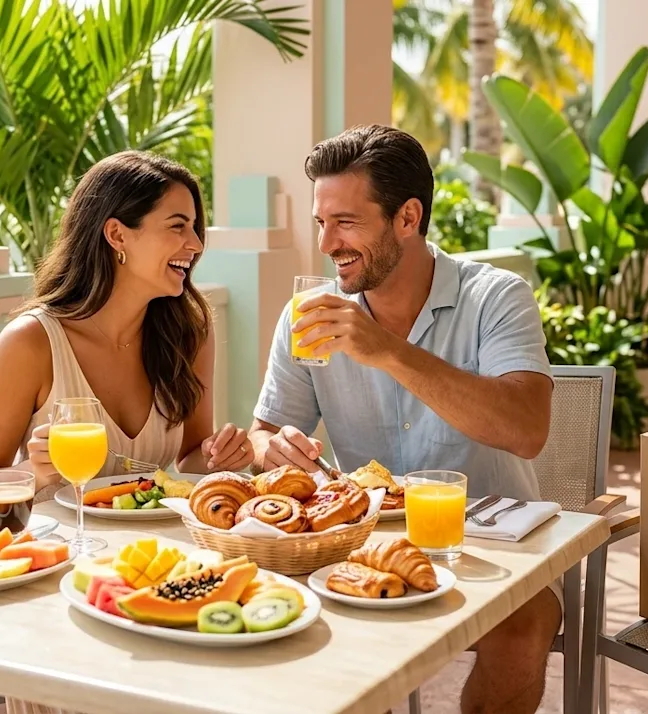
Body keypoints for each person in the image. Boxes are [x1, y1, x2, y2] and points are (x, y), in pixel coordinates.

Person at [248, 124, 558, 714]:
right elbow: (265, 432)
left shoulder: (495, 296)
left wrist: (387, 351)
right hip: (356, 544)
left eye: (346, 222)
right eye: (321, 222)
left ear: (408, 218)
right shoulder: (307, 318)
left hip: (490, 549)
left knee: (519, 634)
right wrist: (274, 449)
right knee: (295, 633)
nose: (327, 243)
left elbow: (527, 430)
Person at [0, 151, 251, 714]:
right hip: (59, 582)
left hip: (158, 568)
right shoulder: (30, 343)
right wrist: (30, 473)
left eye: (196, 228)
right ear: (117, 234)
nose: (195, 245)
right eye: (178, 226)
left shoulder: (190, 333)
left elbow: (190, 457)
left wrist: (216, 460)